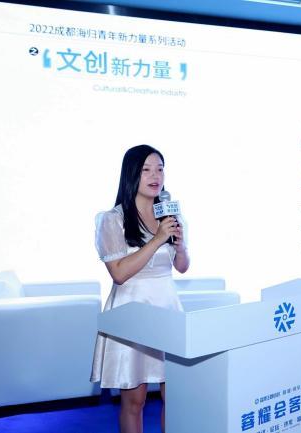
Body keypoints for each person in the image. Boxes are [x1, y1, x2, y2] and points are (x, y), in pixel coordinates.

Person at [90, 145, 190, 433]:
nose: (155, 176)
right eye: (146, 170)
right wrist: (157, 239)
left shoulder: (169, 215)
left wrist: (179, 245)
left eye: (160, 169)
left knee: (177, 396)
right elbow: (119, 273)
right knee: (135, 401)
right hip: (132, 311)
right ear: (131, 174)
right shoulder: (113, 219)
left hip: (167, 309)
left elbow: (182, 267)